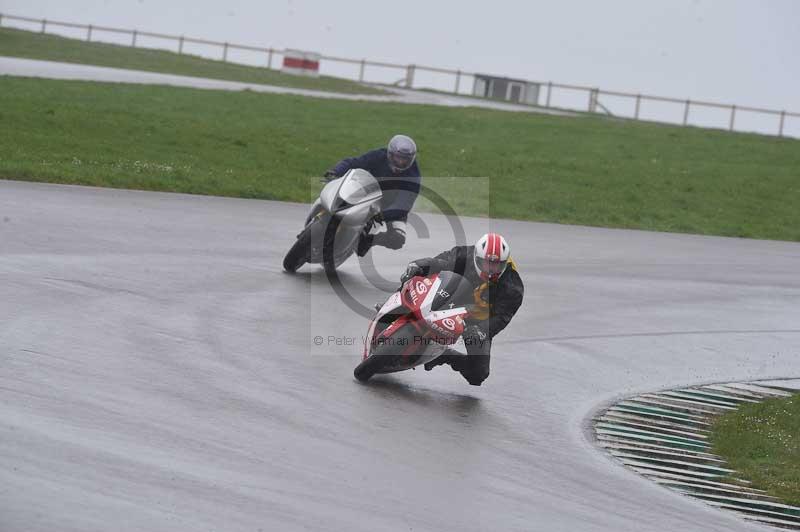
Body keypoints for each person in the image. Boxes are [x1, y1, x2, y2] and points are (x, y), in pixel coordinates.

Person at [400, 233, 524, 386]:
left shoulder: (512, 287)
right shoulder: (465, 255)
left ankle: (444, 355)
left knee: (478, 374)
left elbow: (502, 317)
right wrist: (420, 265)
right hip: (452, 298)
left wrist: (482, 330)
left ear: (504, 264)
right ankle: (395, 309)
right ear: (477, 257)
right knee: (414, 275)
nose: (491, 270)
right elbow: (441, 261)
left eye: (496, 265)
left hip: (476, 322)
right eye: (487, 263)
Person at [324, 135, 421, 256]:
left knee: (398, 239)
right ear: (390, 154)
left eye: (405, 159)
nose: (401, 162)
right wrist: (336, 171)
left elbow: (403, 204)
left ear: (411, 159)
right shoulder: (379, 155)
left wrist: (383, 215)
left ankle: (368, 240)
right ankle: (320, 218)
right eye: (398, 158)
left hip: (390, 206)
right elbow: (355, 162)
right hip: (368, 192)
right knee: (340, 199)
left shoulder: (414, 177)